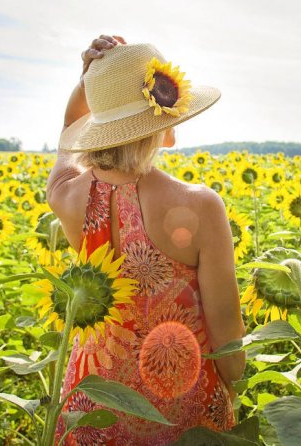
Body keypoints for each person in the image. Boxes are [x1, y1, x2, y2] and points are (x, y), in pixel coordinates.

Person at [46, 35, 246, 444]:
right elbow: (225, 321)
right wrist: (234, 388)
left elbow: (67, 137)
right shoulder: (200, 205)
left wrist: (88, 84)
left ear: (97, 127)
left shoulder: (67, 196)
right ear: (165, 128)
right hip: (181, 400)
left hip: (94, 400)